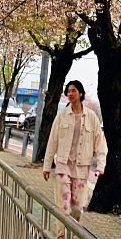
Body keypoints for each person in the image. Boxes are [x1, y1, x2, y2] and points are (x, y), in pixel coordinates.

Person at [42, 80, 107, 221]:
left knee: (77, 208)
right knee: (63, 206)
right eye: (68, 91)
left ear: (80, 93)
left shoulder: (91, 117)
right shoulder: (62, 116)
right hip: (63, 166)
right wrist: (47, 166)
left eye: (73, 91)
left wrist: (100, 166)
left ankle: (71, 235)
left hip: (81, 168)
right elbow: (52, 141)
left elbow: (100, 144)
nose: (70, 94)